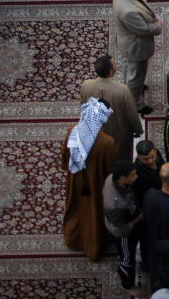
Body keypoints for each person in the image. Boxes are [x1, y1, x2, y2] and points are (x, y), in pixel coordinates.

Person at [61, 97, 117, 261]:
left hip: (75, 181)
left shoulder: (73, 131)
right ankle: (92, 245)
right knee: (94, 213)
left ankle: (73, 238)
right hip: (96, 185)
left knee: (75, 207)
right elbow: (111, 170)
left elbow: (65, 159)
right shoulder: (107, 143)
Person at [113, 0, 161, 115]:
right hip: (135, 46)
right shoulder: (128, 11)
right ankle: (136, 104)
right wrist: (157, 26)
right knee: (135, 76)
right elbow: (144, 29)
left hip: (128, 42)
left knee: (131, 70)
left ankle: (131, 89)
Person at [81, 54, 143, 161]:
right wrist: (138, 130)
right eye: (114, 65)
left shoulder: (86, 85)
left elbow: (83, 105)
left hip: (96, 133)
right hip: (119, 134)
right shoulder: (122, 90)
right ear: (110, 72)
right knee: (120, 159)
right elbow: (131, 114)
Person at [103, 159, 144, 296]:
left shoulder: (111, 178)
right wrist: (137, 220)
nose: (136, 177)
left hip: (127, 218)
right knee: (127, 258)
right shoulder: (117, 205)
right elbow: (120, 230)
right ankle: (126, 284)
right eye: (132, 175)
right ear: (122, 178)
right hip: (123, 235)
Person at [134, 139, 164, 207]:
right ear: (139, 156)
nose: (150, 161)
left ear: (155, 151)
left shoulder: (157, 154)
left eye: (152, 157)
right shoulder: (137, 173)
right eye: (146, 159)